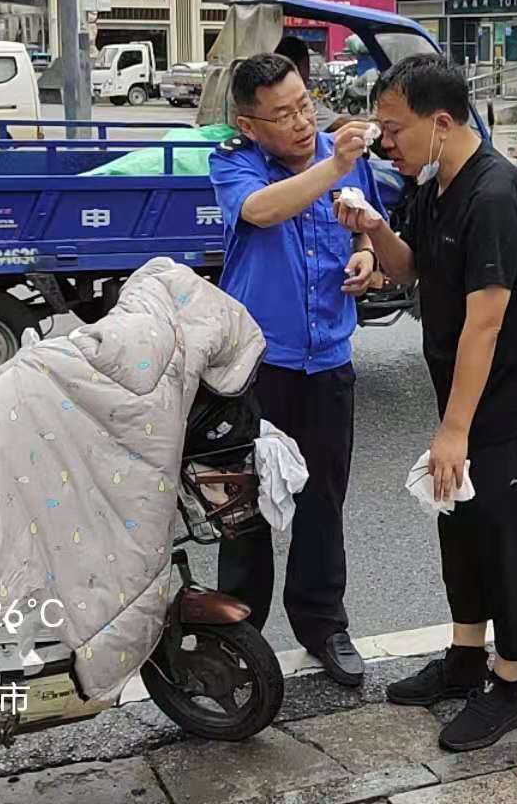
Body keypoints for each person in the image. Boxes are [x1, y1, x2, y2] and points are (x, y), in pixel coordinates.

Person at [333, 54, 517, 752]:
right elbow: (410, 269)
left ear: (440, 122)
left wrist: (455, 429)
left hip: (513, 405)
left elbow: (485, 322)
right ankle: (466, 660)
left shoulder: (494, 193)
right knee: (461, 536)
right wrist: (373, 227)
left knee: (512, 545)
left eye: (394, 128)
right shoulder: (437, 184)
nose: (386, 143)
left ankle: (510, 686)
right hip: (462, 403)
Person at [208, 51, 386, 688]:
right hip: (259, 369)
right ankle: (238, 634)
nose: (302, 122)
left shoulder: (340, 154)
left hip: (329, 363)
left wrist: (367, 254)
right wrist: (333, 165)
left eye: (305, 105)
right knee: (244, 506)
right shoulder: (234, 160)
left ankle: (322, 624)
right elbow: (260, 210)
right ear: (249, 124)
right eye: (282, 115)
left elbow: (364, 226)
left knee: (322, 500)